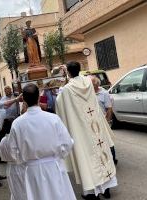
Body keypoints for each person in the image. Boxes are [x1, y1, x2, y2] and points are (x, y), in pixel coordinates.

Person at [0, 84, 76, 200]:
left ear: (23, 100)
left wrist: (25, 159)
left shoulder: (18, 123)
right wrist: (57, 155)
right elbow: (67, 143)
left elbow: (13, 151)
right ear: (39, 98)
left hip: (32, 171)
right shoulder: (53, 118)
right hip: (53, 167)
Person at [56, 61, 117, 200]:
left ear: (69, 72)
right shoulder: (89, 83)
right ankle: (106, 188)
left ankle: (91, 193)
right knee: (101, 156)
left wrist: (64, 82)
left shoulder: (66, 89)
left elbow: (59, 104)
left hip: (81, 129)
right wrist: (69, 75)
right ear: (80, 70)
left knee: (87, 159)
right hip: (94, 126)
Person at [92, 77, 118, 165]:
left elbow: (109, 109)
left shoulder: (104, 93)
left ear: (95, 84)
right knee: (98, 142)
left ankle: (113, 160)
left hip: (104, 121)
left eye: (90, 83)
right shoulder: (88, 94)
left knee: (108, 141)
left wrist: (107, 122)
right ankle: (102, 160)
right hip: (94, 123)